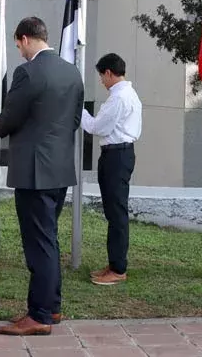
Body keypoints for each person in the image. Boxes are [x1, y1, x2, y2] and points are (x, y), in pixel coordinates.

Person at [0, 17, 83, 336]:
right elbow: (72, 120)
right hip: (59, 168)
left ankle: (40, 315)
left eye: (17, 44)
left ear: (26, 38)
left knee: (39, 244)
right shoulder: (72, 71)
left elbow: (12, 113)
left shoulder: (27, 72)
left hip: (33, 170)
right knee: (49, 240)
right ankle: (51, 307)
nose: (18, 50)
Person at [81, 52, 142, 286]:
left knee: (116, 213)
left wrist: (80, 113)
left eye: (101, 76)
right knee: (113, 212)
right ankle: (114, 262)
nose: (101, 81)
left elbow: (99, 127)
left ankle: (118, 268)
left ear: (108, 72)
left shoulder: (120, 97)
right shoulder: (126, 93)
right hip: (117, 154)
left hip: (117, 155)